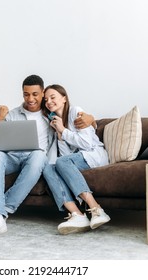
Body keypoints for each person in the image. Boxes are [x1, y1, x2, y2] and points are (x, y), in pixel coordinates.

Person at [0, 75, 95, 238]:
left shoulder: (50, 114)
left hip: (35, 158)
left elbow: (75, 116)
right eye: (26, 94)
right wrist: (0, 121)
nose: (30, 98)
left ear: (42, 93)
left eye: (35, 94)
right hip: (12, 157)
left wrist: (91, 118)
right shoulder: (13, 114)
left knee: (39, 156)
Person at [42, 84, 110, 235]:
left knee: (60, 162)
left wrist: (63, 131)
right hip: (76, 160)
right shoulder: (57, 122)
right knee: (48, 167)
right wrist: (59, 135)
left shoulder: (76, 112)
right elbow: (65, 156)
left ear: (64, 98)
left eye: (53, 97)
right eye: (46, 99)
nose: (49, 102)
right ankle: (77, 215)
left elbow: (86, 144)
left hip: (93, 154)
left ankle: (96, 209)